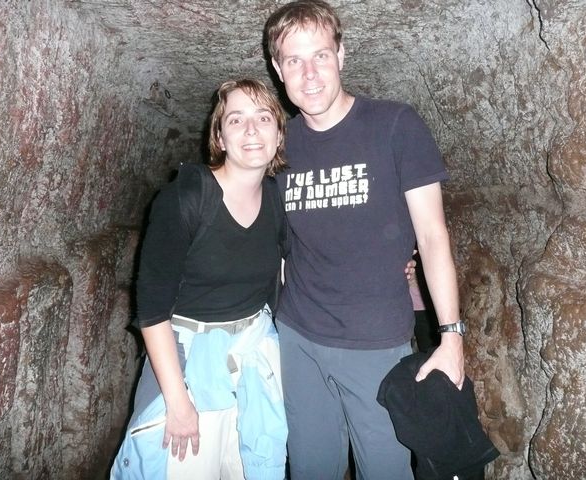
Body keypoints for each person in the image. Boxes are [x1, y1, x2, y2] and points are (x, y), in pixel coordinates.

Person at [264, 2, 465, 479]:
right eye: (294, 60)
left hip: (376, 343)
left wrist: (452, 336)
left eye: (320, 56)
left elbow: (433, 236)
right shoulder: (277, 144)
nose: (309, 74)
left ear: (341, 55)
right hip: (299, 339)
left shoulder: (395, 125)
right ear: (277, 68)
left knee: (386, 470)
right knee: (311, 469)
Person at [111, 79, 289, 480]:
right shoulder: (185, 198)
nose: (251, 129)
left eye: (263, 118)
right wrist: (178, 403)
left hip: (251, 357)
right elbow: (152, 310)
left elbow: (287, 268)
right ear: (220, 137)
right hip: (187, 365)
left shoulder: (275, 197)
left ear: (279, 134)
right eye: (236, 119)